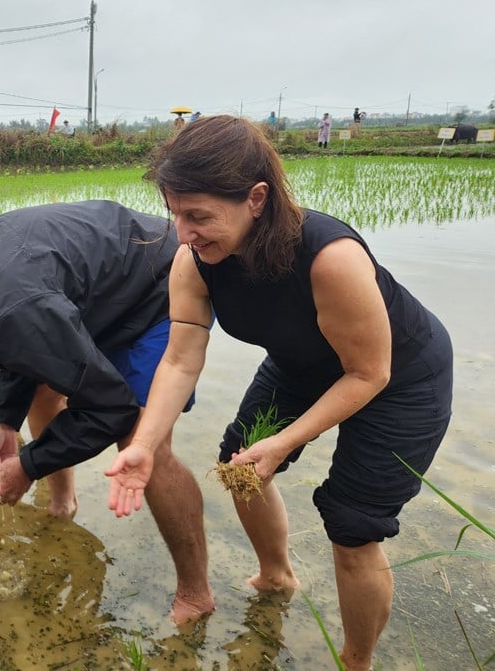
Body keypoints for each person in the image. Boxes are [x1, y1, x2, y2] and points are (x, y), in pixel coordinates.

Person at [105, 116, 452, 671]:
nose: (182, 232)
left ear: (256, 198)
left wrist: (285, 441)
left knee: (353, 525)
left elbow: (369, 373)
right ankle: (277, 574)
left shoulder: (330, 257)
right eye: (175, 213)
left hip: (400, 378)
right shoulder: (193, 261)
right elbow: (180, 357)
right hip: (303, 365)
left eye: (198, 216)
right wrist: (145, 443)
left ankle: (356, 662)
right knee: (239, 465)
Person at [0, 200, 215, 622]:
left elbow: (109, 407)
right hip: (95, 293)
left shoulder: (8, 309)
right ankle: (62, 505)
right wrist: (5, 421)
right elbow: (15, 340)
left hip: (157, 286)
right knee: (46, 391)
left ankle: (196, 593)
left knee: (140, 439)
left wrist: (28, 465)